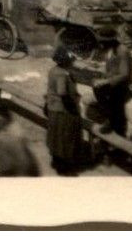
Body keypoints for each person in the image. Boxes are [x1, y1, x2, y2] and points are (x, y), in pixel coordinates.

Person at [44, 46, 85, 175]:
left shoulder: (53, 70)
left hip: (53, 107)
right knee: (65, 137)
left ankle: (56, 160)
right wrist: (72, 108)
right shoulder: (62, 73)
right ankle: (65, 166)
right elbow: (62, 92)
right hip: (63, 110)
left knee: (55, 136)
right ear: (65, 61)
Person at [91, 28, 132, 137]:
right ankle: (110, 117)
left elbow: (124, 74)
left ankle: (115, 125)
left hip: (123, 84)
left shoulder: (122, 50)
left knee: (114, 102)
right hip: (115, 81)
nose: (101, 44)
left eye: (103, 42)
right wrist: (99, 69)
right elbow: (112, 67)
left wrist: (106, 81)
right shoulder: (112, 49)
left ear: (110, 41)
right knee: (96, 85)